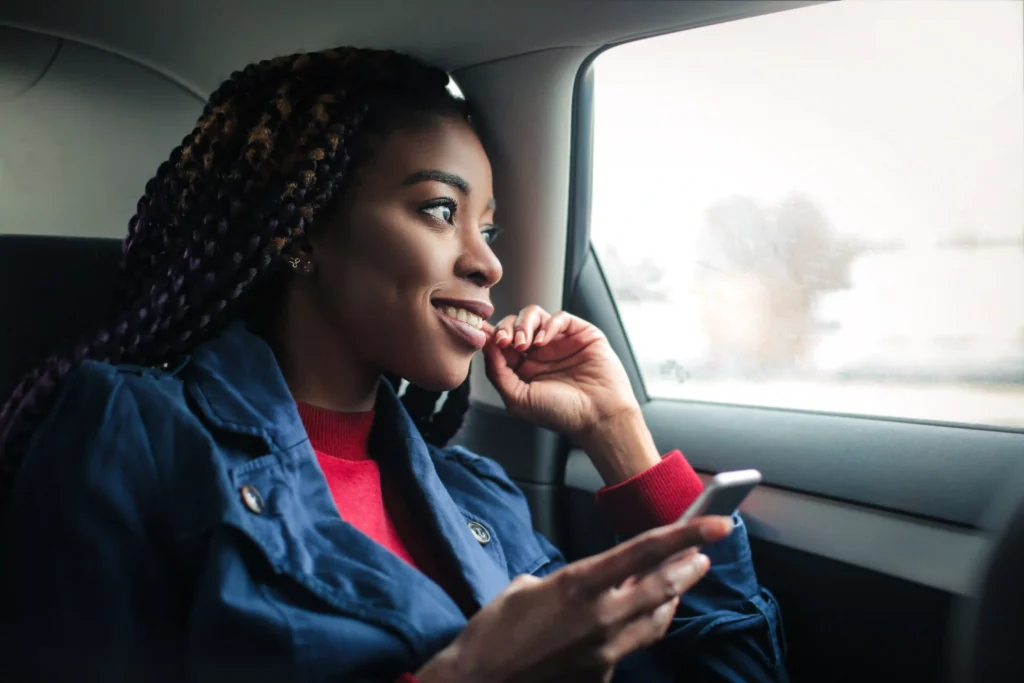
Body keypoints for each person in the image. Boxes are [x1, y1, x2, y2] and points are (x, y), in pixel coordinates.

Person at [0, 48, 787, 682]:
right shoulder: (136, 429)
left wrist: (618, 433)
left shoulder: (480, 496)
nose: (486, 262)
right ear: (299, 230)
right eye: (440, 210)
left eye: (490, 227)